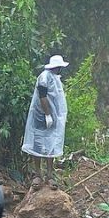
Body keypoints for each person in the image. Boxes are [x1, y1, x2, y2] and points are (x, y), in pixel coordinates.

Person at [21, 54, 69, 190]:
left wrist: (56, 115)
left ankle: (50, 175)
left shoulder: (55, 78)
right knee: (38, 144)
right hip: (40, 116)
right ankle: (38, 174)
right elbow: (43, 97)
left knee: (51, 144)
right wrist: (47, 114)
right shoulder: (44, 77)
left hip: (53, 116)